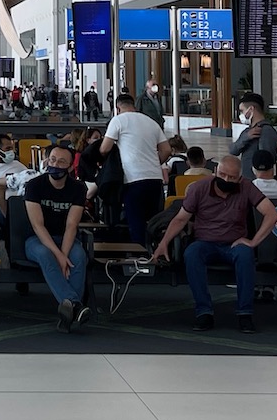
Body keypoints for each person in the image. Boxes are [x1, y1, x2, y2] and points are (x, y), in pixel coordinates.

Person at [157, 155, 277, 330]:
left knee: (245, 254)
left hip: (234, 244)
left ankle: (245, 314)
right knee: (192, 253)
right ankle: (203, 312)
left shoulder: (246, 187)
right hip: (206, 243)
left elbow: (271, 214)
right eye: (222, 174)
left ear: (240, 178)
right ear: (215, 171)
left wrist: (253, 242)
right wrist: (164, 242)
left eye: (232, 177)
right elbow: (180, 219)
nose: (226, 180)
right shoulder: (199, 188)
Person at [23, 143, 91, 331]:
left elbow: (71, 225)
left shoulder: (78, 188)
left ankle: (68, 314)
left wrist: (65, 253)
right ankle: (75, 306)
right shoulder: (34, 185)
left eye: (61, 162)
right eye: (52, 160)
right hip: (37, 239)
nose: (55, 164)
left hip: (65, 238)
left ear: (70, 167)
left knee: (78, 256)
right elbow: (38, 225)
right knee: (46, 255)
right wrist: (60, 256)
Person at [102, 91, 169, 242]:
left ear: (117, 108)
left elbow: (105, 148)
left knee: (136, 221)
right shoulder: (151, 122)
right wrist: (153, 163)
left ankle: (140, 258)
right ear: (133, 105)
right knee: (153, 221)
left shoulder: (118, 120)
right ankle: (155, 254)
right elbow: (167, 150)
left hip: (133, 178)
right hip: (155, 178)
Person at [230, 93, 276, 178]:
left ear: (251, 109)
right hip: (246, 179)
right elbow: (233, 150)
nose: (241, 115)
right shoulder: (247, 131)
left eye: (242, 111)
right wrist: (246, 138)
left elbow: (267, 159)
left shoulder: (266, 130)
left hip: (258, 182)